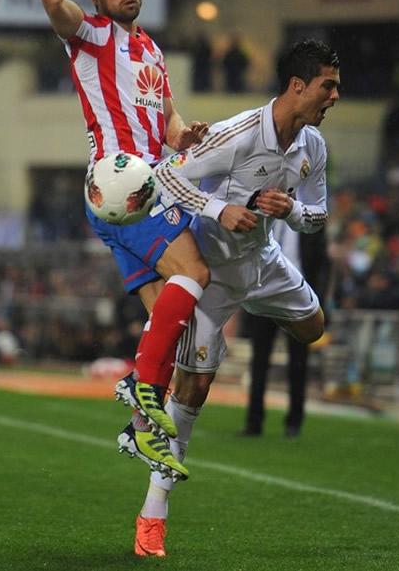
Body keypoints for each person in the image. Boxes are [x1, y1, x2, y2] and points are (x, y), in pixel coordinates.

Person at [133, 38, 341, 556]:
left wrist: (291, 210)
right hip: (214, 274)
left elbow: (317, 217)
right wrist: (218, 208)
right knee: (194, 390)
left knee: (315, 327)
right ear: (299, 85)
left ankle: (255, 310)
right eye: (328, 86)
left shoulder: (312, 145)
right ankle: (152, 514)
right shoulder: (238, 133)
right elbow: (165, 177)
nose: (335, 96)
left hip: (264, 262)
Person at [41, 0, 211, 481]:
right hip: (125, 186)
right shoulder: (90, 34)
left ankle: (141, 429)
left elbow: (166, 119)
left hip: (141, 187)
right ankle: (139, 390)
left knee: (172, 318)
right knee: (196, 273)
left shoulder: (152, 52)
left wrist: (185, 135)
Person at [241, 223, 331, 439]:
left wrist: (317, 302)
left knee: (298, 363)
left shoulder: (306, 217)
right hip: (263, 294)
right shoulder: (263, 214)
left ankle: (294, 422)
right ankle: (254, 422)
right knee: (259, 360)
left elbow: (322, 262)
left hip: (296, 297)